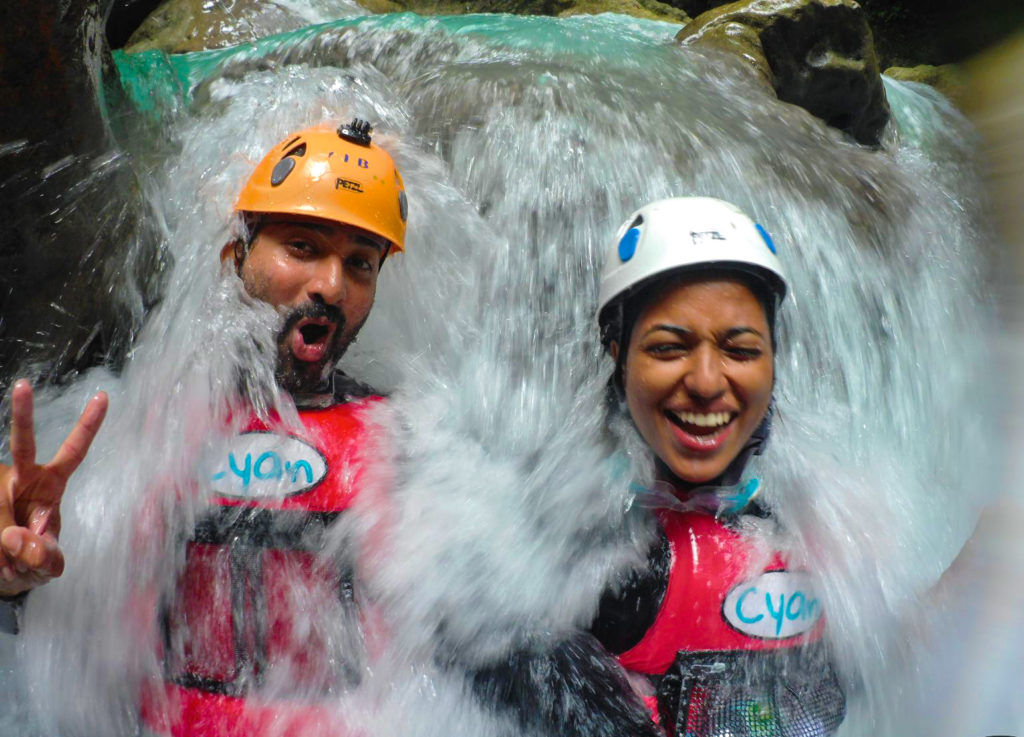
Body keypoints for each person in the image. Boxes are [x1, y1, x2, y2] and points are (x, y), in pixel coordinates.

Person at [0, 119, 409, 736]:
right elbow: (60, 619)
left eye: (360, 263)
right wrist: (16, 579)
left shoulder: (406, 442)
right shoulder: (138, 426)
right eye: (302, 246)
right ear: (235, 254)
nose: (331, 284)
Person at [589, 197, 846, 736]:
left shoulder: (824, 531)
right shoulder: (583, 563)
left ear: (774, 361)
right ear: (618, 354)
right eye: (668, 348)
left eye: (740, 350)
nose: (707, 382)